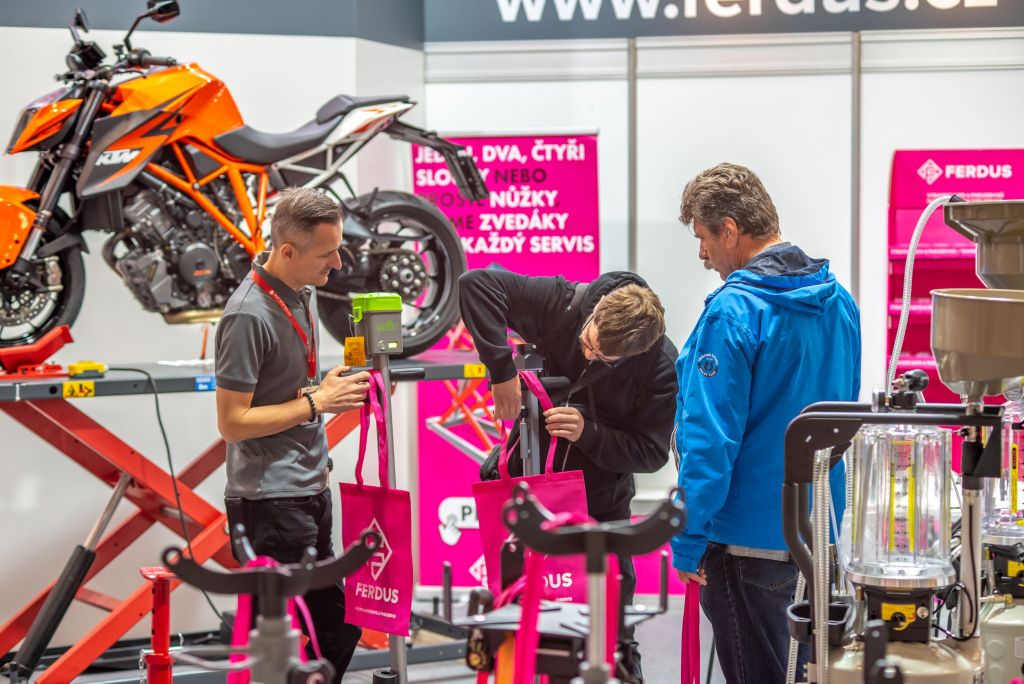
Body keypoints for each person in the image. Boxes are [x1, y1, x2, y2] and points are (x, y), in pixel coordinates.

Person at [670, 163, 861, 684]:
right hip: (815, 537)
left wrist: (687, 538)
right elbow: (841, 418)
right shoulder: (839, 303)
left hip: (742, 547)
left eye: (704, 238)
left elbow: (710, 443)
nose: (702, 253)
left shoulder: (733, 313)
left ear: (731, 230)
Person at [459, 268, 678, 683]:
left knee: (613, 624)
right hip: (533, 486)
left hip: (601, 501)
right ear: (595, 312)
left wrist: (589, 433)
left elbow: (651, 453)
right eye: (589, 342)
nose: (590, 356)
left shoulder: (661, 366)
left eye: (605, 359)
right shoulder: (562, 303)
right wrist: (501, 371)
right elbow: (476, 285)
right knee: (523, 611)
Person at [215, 187, 370, 682]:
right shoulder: (247, 315)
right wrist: (317, 403)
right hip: (271, 504)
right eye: (327, 254)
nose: (338, 263)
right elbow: (232, 422)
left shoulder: (301, 290)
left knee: (335, 632)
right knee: (295, 640)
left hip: (308, 491)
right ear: (287, 251)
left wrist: (323, 388)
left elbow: (288, 387)